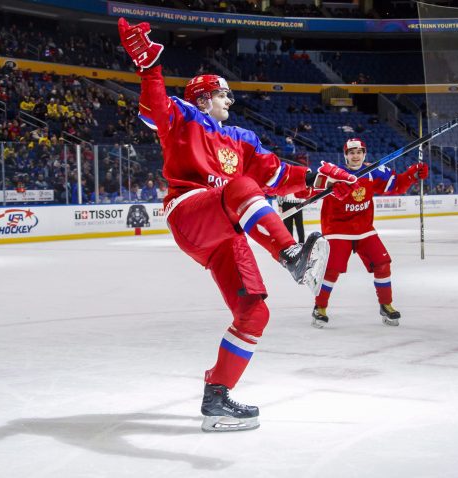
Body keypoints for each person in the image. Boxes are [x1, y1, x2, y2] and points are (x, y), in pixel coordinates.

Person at [118, 18, 358, 432]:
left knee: (254, 312)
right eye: (224, 93)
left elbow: (277, 173)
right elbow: (154, 107)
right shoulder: (182, 117)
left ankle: (217, 397)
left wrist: (319, 179)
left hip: (225, 230)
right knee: (242, 187)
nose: (230, 99)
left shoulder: (241, 138)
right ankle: (291, 254)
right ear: (205, 95)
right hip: (191, 211)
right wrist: (149, 67)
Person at [310, 138, 428, 328]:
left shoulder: (375, 172)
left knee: (382, 264)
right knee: (332, 269)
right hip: (337, 229)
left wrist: (413, 174)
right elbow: (312, 187)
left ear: (364, 154)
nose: (355, 156)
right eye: (352, 152)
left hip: (364, 229)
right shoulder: (334, 174)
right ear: (345, 155)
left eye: (359, 152)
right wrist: (330, 187)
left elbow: (397, 185)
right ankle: (320, 307)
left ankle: (386, 305)